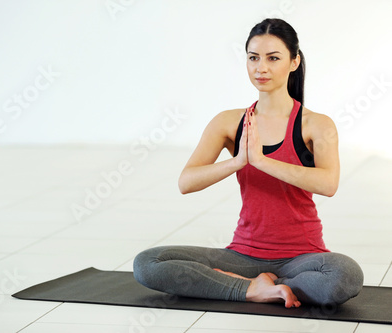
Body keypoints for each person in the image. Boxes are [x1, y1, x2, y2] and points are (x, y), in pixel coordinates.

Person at [133, 18, 364, 308]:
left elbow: (328, 184)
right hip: (242, 255)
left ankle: (261, 286)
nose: (261, 68)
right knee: (148, 263)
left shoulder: (316, 125)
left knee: (345, 275)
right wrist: (239, 161)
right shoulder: (228, 122)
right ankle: (251, 289)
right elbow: (186, 182)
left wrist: (262, 161)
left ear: (294, 62)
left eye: (273, 58)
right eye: (253, 57)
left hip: (302, 258)